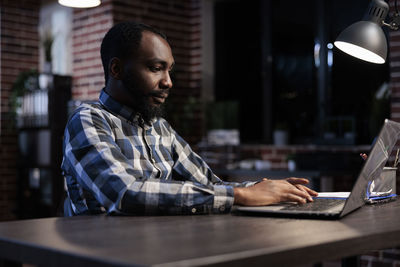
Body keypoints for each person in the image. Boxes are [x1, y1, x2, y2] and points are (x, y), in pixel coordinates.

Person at [61, 21, 317, 216]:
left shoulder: (160, 128)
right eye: (155, 68)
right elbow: (125, 193)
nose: (168, 82)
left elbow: (210, 184)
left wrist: (267, 188)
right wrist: (241, 195)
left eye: (169, 70)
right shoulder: (88, 121)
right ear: (116, 69)